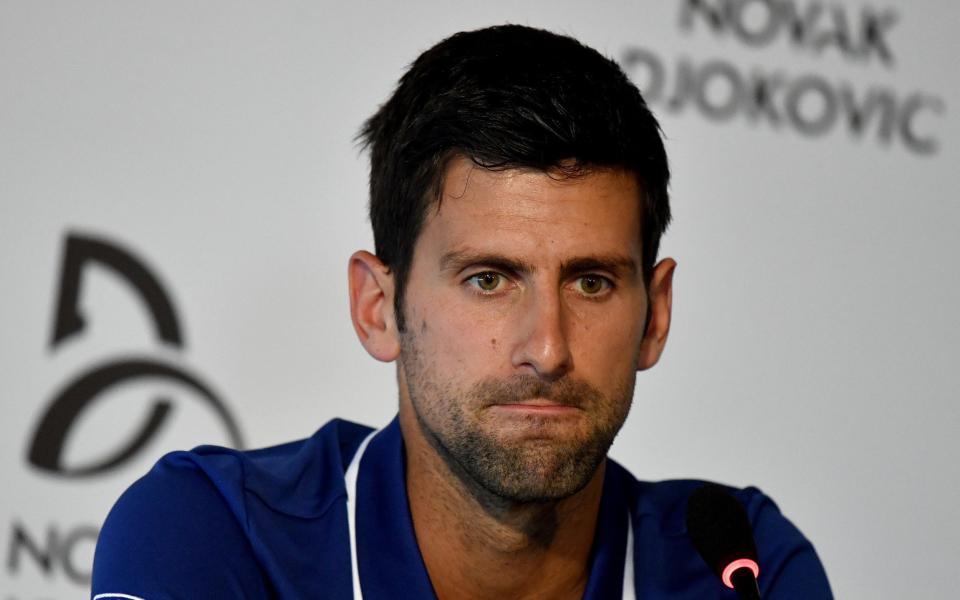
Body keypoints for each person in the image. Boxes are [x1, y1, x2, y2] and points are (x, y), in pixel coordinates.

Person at [91, 24, 833, 599]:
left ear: (656, 314)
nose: (547, 348)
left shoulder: (740, 570)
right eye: (488, 279)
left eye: (592, 284)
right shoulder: (214, 536)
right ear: (379, 308)